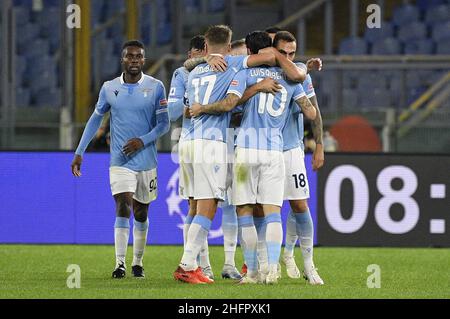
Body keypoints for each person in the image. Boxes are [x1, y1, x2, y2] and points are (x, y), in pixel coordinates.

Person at [173, 24, 307, 285]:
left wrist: (205, 60)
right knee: (210, 206)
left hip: (189, 141)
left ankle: (200, 266)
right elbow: (230, 102)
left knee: (199, 206)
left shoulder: (193, 71)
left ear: (206, 45)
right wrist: (290, 69)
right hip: (214, 144)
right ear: (229, 44)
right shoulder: (234, 64)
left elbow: (190, 69)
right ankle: (189, 265)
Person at [71, 40, 170, 279]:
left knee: (141, 213)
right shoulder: (108, 88)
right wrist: (79, 151)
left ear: (143, 61)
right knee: (123, 205)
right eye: (130, 56)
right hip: (120, 160)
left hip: (146, 160)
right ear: (122, 60)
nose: (134, 60)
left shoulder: (156, 87)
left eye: (138, 57)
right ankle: (120, 264)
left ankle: (138, 261)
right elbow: (96, 119)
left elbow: (164, 124)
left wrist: (142, 140)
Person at [274, 31, 325, 285]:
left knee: (299, 205)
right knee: (264, 209)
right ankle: (265, 264)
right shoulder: (259, 72)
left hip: (292, 149)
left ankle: (307, 264)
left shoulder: (300, 76)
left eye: (292, 53)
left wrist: (319, 145)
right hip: (264, 149)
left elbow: (315, 112)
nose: (288, 58)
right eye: (282, 53)